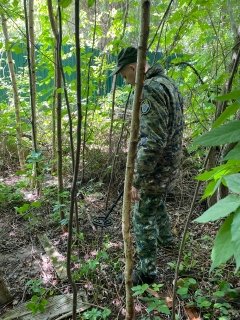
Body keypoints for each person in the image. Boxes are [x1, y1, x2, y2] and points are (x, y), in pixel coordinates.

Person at [111, 47, 184, 285]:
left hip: (155, 168)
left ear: (133, 67)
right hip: (169, 164)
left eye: (124, 75)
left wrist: (136, 180)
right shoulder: (168, 83)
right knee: (157, 202)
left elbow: (152, 142)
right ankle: (167, 239)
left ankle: (147, 272)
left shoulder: (151, 89)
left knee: (141, 216)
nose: (125, 80)